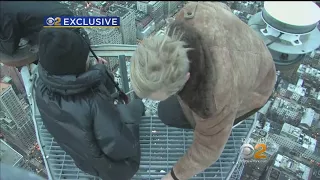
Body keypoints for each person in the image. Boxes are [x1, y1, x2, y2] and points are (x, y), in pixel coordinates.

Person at [130, 2, 276, 180]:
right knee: (167, 111)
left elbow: (207, 149)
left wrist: (174, 176)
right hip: (249, 49)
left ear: (185, 79)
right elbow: (221, 8)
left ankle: (227, 124)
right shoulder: (188, 15)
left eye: (159, 96)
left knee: (170, 114)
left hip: (258, 84)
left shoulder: (215, 98)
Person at [35, 28, 145, 180]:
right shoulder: (94, 102)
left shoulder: (40, 85)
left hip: (80, 158)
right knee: (136, 107)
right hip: (114, 169)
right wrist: (100, 74)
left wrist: (93, 74)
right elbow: (122, 147)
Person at [0, 1, 74, 67]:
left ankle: (42, 55)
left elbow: (9, 49)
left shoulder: (3, 14)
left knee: (4, 57)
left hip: (63, 24)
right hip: (60, 10)